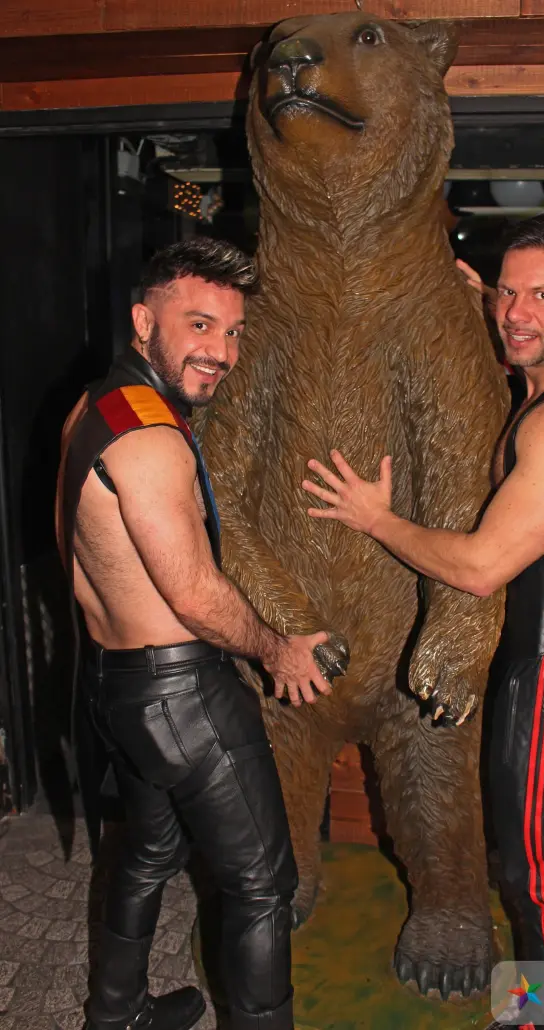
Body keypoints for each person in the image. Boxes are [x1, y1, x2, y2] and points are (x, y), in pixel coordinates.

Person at [302, 212, 544, 1027]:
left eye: (541, 296)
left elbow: (482, 566)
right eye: (508, 293)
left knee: (542, 873)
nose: (516, 312)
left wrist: (375, 519)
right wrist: (478, 296)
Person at [56, 237, 334, 1030]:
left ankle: (116, 1014)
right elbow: (191, 591)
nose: (221, 351)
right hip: (178, 693)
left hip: (114, 684)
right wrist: (276, 650)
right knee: (262, 884)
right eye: (200, 325)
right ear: (144, 322)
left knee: (149, 850)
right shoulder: (148, 434)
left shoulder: (96, 404)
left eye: (233, 331)